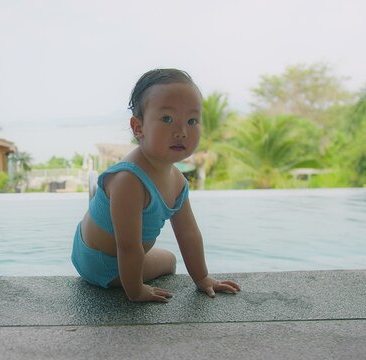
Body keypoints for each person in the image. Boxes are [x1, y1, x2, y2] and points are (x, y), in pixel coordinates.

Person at [71, 68, 241, 303]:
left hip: (99, 246)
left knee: (167, 258)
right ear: (138, 128)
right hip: (103, 264)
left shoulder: (177, 180)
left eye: (192, 121)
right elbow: (128, 246)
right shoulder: (128, 180)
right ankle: (125, 282)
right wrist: (136, 291)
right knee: (168, 261)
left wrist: (202, 278)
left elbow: (188, 233)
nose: (181, 132)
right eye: (167, 119)